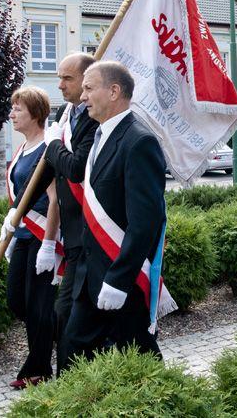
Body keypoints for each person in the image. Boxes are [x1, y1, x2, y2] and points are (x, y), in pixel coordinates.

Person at [64, 61, 176, 364]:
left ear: (114, 91)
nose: (82, 96)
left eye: (88, 88)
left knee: (139, 358)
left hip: (120, 279)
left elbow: (145, 223)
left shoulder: (139, 141)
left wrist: (118, 279)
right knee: (73, 351)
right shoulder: (101, 135)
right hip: (90, 276)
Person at [11, 52, 100, 373]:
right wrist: (16, 212)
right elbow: (48, 172)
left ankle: (67, 380)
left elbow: (75, 169)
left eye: (67, 78)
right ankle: (68, 378)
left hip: (93, 232)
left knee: (71, 317)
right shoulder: (68, 114)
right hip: (77, 235)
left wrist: (53, 147)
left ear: (88, 81)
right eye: (59, 77)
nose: (59, 84)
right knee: (66, 315)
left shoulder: (92, 119)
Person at [0, 86, 60, 389]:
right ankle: (62, 331)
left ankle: (38, 369)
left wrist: (49, 244)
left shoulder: (48, 148)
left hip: (40, 236)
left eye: (17, 109)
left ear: (35, 113)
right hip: (22, 235)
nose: (11, 114)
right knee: (17, 300)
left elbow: (54, 200)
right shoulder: (23, 149)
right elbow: (18, 194)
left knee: (37, 306)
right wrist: (9, 222)